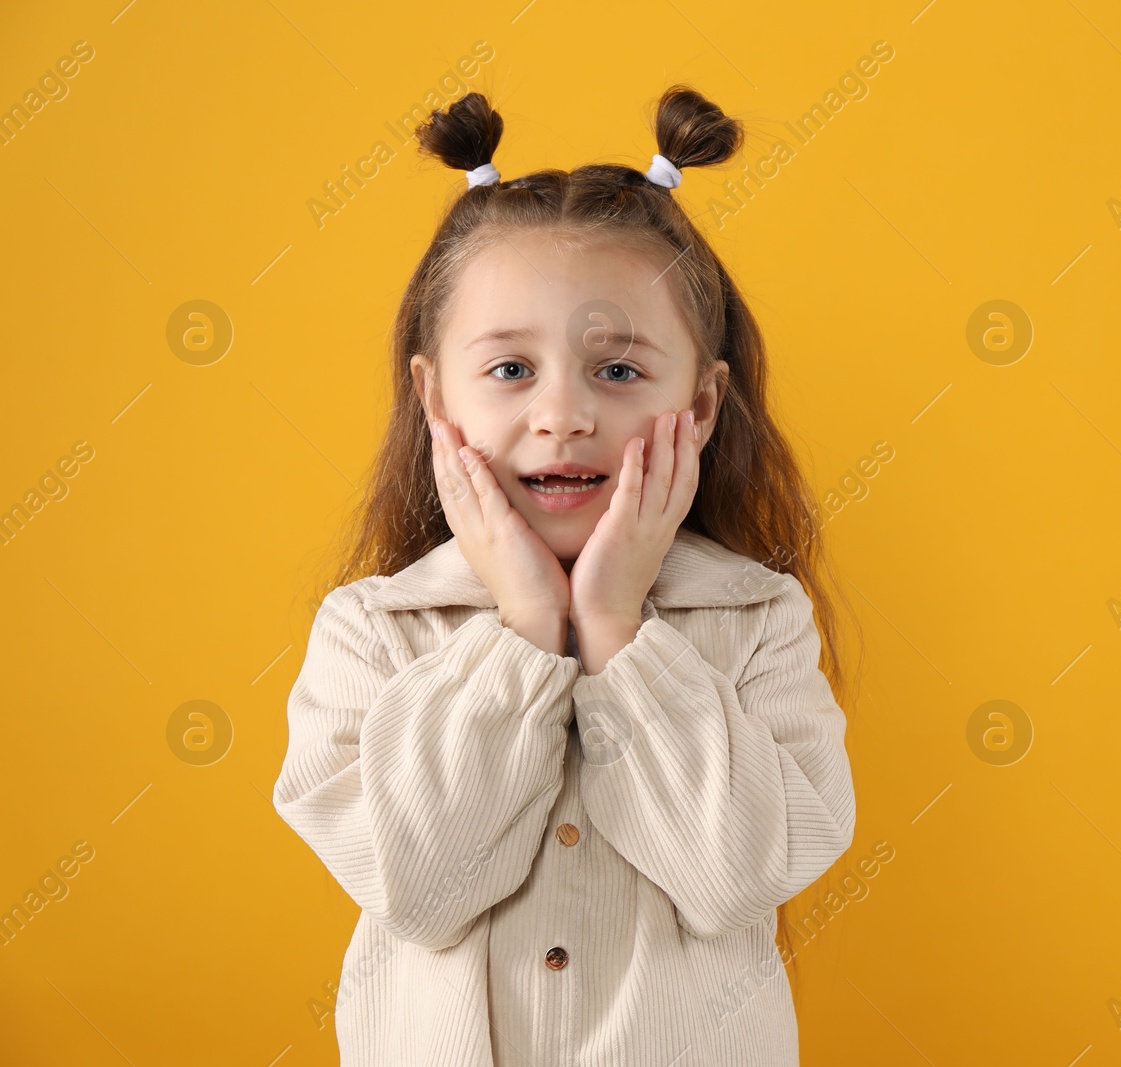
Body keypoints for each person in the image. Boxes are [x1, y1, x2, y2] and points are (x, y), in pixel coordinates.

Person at [272, 86, 859, 1067]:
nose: (563, 415)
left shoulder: (760, 618)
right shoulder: (371, 630)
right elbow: (424, 885)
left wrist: (617, 628)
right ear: (433, 395)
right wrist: (527, 627)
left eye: (618, 370)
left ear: (703, 403)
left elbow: (736, 873)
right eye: (509, 370)